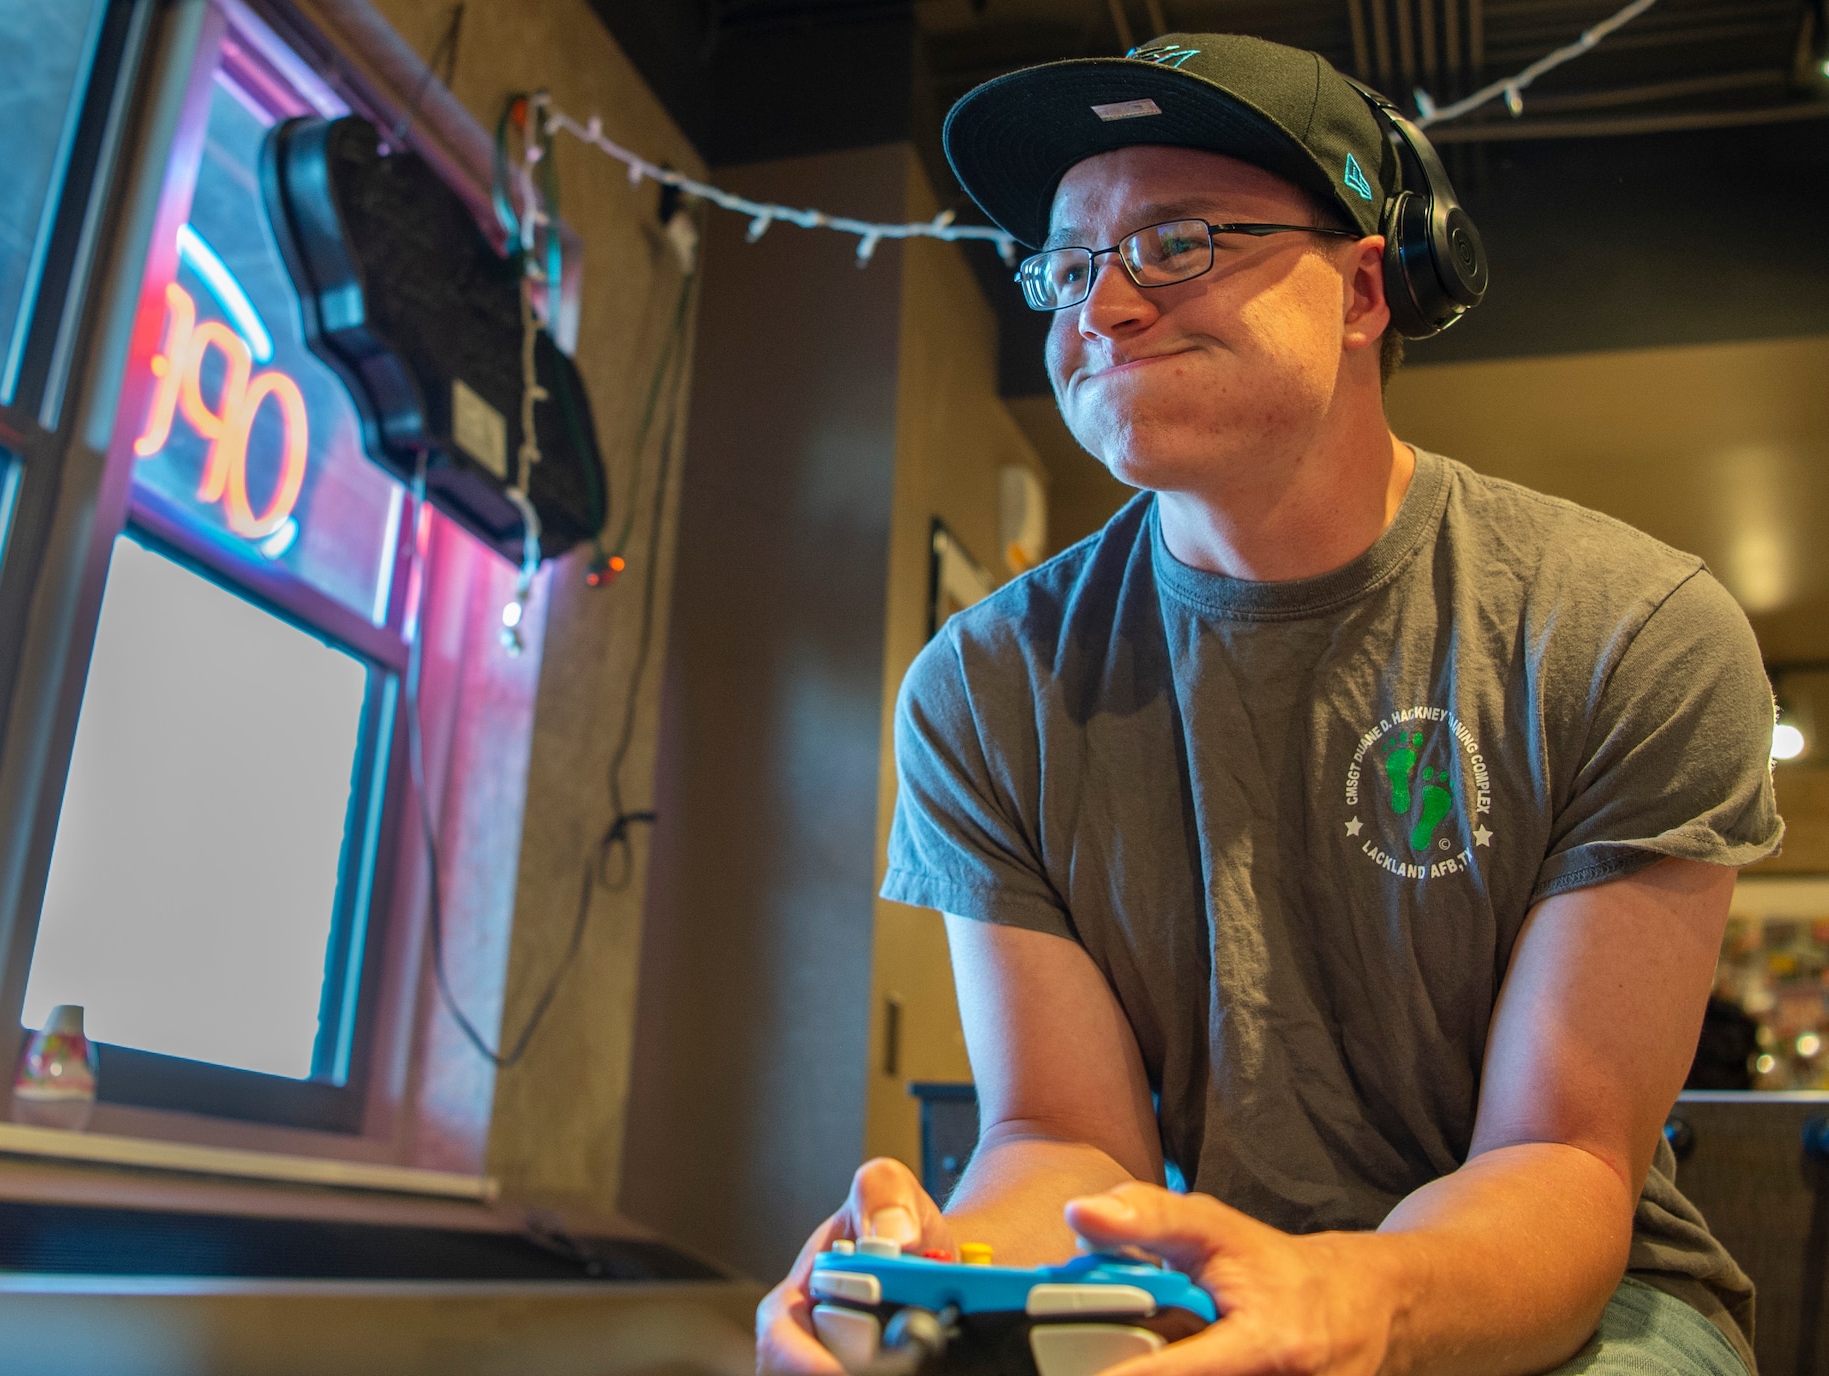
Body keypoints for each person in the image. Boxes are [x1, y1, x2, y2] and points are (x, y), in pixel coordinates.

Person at [757, 31, 1782, 1376]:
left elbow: (1559, 1158)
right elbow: (1063, 1137)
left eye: (1178, 243)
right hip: (1201, 1281)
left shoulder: (1625, 635)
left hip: (1576, 1299)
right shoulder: (983, 684)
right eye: (1067, 266)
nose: (1101, 310)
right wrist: (941, 1275)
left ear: (1366, 290)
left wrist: (1345, 1300)